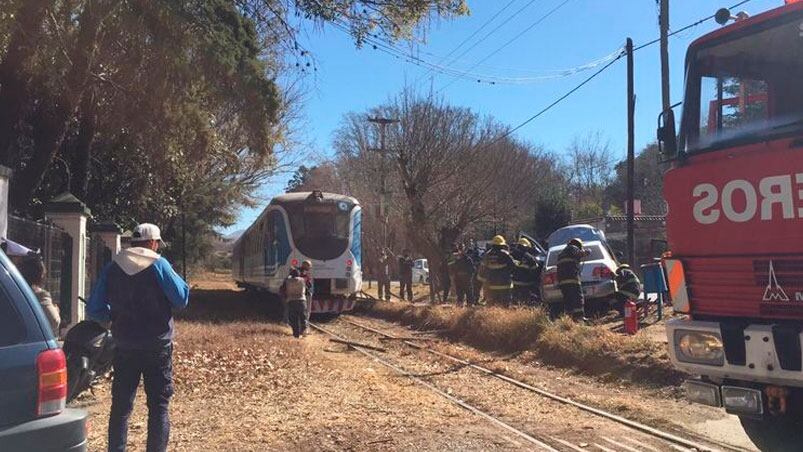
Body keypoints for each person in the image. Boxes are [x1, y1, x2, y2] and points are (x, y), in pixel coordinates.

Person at [87, 223, 189, 452]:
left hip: (124, 344)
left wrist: (113, 316)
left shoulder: (113, 267)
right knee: (159, 406)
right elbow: (181, 299)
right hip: (157, 344)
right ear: (153, 243)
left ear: (132, 242)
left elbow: (94, 309)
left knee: (121, 406)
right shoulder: (159, 264)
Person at [19, 255, 60, 336]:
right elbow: (54, 321)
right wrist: (56, 311)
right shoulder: (41, 295)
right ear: (41, 275)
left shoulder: (16, 290)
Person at [555, 238, 591, 321]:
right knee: (577, 297)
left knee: (568, 299)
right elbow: (579, 253)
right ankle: (580, 318)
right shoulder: (573, 248)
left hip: (562, 281)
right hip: (572, 278)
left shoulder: (561, 253)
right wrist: (587, 252)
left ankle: (569, 319)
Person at [477, 235, 515, 307]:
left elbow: (482, 270)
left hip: (491, 285)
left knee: (492, 305)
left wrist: (482, 283)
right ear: (502, 245)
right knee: (505, 306)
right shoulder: (505, 254)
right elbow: (513, 267)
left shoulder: (487, 255)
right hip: (505, 285)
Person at [510, 237, 541, 306]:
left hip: (514, 283)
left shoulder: (512, 255)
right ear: (527, 247)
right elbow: (535, 270)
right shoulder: (529, 258)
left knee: (515, 302)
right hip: (526, 284)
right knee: (525, 301)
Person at [281, 268, 308, 338]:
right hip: (302, 300)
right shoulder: (302, 280)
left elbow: (282, 289)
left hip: (291, 301)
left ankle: (296, 335)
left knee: (294, 318)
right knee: (303, 317)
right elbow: (308, 287)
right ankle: (304, 331)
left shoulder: (287, 281)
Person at [299, 260, 314, 330]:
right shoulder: (306, 274)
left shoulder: (297, 271)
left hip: (298, 294)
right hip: (306, 294)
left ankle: (301, 325)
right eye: (309, 266)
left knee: (300, 310)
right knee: (307, 310)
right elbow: (309, 285)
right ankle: (305, 326)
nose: (310, 268)